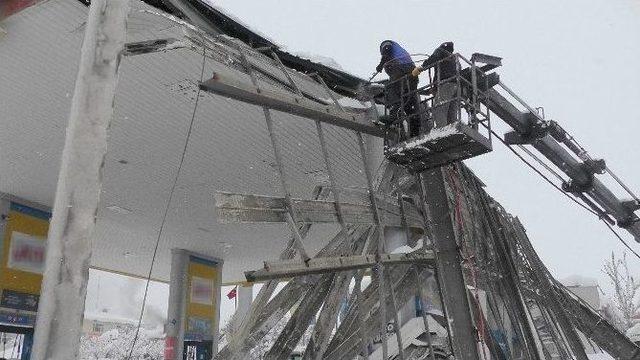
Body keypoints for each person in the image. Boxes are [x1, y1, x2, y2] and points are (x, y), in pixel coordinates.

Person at [375, 40, 421, 137]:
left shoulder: (387, 44)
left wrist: (380, 64)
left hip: (401, 69)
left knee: (391, 88)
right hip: (412, 75)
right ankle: (415, 135)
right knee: (409, 102)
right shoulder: (402, 52)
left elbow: (387, 49)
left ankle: (394, 115)